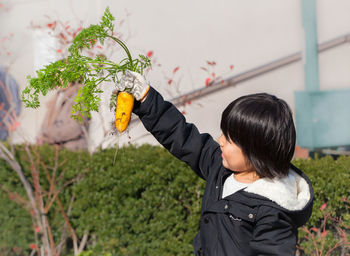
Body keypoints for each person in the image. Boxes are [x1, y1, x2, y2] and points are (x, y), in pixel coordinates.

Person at [116, 71, 314, 255]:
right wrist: (147, 100)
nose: (220, 140)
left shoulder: (273, 211)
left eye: (229, 139)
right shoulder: (222, 170)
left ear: (256, 153)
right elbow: (183, 137)